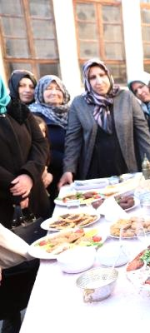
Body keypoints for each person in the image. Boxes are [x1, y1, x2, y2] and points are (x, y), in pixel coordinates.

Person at [58, 59, 150, 187]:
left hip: (126, 166)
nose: (99, 81)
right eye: (92, 77)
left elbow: (142, 132)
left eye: (102, 75)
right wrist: (68, 169)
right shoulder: (78, 103)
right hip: (95, 170)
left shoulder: (126, 97)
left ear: (108, 75)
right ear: (86, 81)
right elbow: (73, 140)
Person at [0, 77, 49, 333]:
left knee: (46, 255)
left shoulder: (16, 108)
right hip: (3, 204)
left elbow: (40, 143)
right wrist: (14, 185)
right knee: (12, 269)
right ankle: (13, 320)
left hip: (36, 197)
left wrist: (30, 175)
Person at [29, 75, 70, 201]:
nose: (54, 92)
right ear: (40, 92)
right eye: (48, 88)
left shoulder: (73, 113)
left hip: (74, 173)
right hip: (49, 177)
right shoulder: (32, 116)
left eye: (58, 88)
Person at [32, 115, 53, 191]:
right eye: (38, 131)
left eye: (43, 131)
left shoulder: (45, 147)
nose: (42, 134)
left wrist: (49, 176)